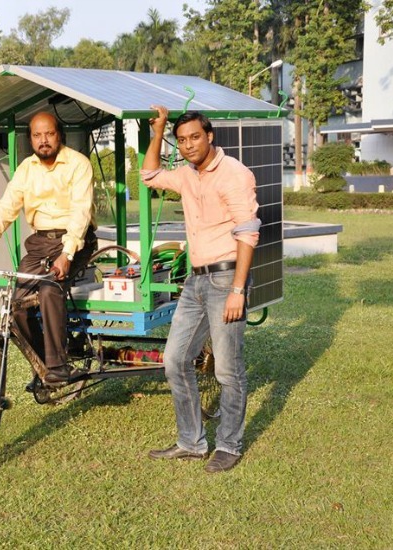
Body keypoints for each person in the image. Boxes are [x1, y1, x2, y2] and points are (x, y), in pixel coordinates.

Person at [140, 107, 260, 473]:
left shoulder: (235, 175)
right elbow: (148, 174)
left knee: (227, 369)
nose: (189, 145)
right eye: (183, 140)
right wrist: (158, 130)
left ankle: (229, 445)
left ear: (210, 137)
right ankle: (191, 443)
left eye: (195, 137)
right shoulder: (187, 176)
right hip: (194, 280)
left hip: (226, 279)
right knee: (175, 360)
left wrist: (238, 289)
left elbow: (248, 232)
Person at [0, 112, 97, 386]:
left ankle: (58, 366)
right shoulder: (26, 168)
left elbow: (81, 213)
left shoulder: (78, 164)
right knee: (16, 304)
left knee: (50, 288)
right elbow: (5, 209)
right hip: (39, 244)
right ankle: (44, 364)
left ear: (59, 134)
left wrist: (67, 254)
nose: (43, 141)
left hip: (75, 239)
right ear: (31, 139)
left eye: (49, 134)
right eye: (37, 135)